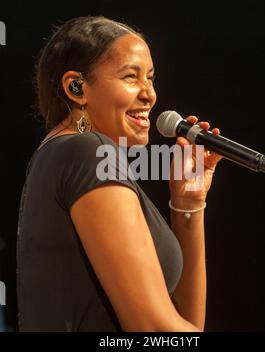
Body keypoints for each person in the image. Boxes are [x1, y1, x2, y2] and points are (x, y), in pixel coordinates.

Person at [16, 16, 222, 332]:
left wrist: (188, 202)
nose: (149, 94)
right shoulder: (85, 150)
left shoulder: (61, 155)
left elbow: (184, 323)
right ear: (76, 87)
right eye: (130, 77)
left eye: (150, 78)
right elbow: (154, 330)